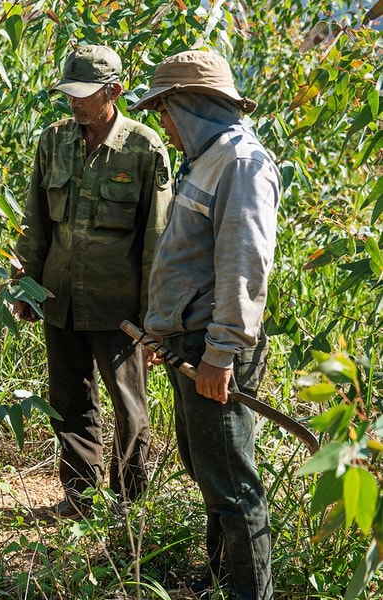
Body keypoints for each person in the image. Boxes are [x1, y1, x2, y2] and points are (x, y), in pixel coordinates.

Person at [131, 50, 281, 600]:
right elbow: (189, 259)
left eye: (166, 112)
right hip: (189, 343)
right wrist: (161, 328)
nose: (164, 126)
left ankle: (251, 593)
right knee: (205, 465)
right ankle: (222, 576)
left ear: (189, 105)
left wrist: (220, 354)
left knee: (231, 483)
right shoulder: (210, 157)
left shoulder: (241, 163)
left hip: (214, 347)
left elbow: (244, 264)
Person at [14, 44, 172, 517]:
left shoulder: (145, 148)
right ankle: (81, 496)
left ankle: (129, 504)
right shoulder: (54, 140)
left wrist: (154, 319)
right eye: (68, 92)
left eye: (84, 94)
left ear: (113, 92)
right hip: (60, 298)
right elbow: (36, 221)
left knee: (130, 409)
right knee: (69, 399)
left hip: (118, 308)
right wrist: (27, 286)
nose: (74, 102)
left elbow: (157, 240)